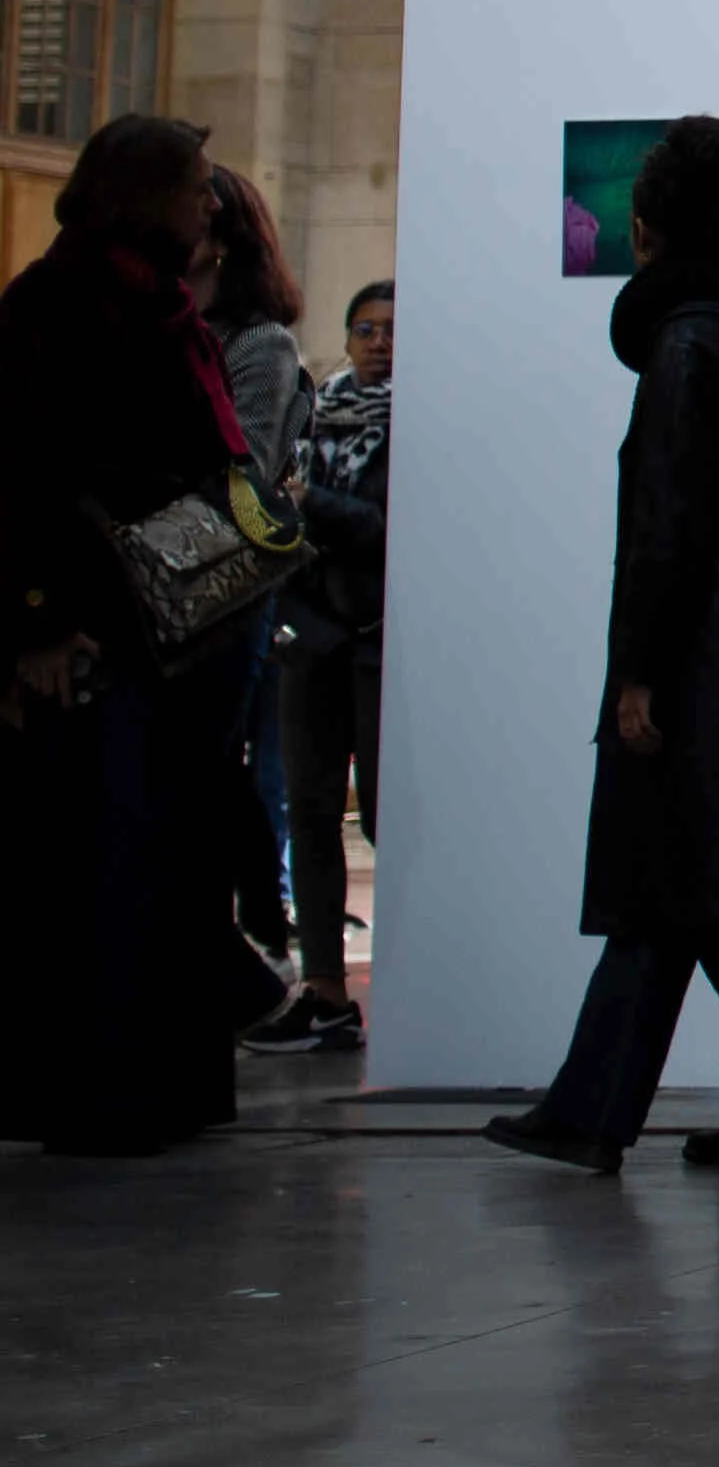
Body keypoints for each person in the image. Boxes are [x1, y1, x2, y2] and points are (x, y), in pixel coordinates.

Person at [485, 116, 719, 1175]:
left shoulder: (692, 343)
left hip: (704, 659)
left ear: (651, 225)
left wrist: (638, 666)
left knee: (678, 886)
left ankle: (597, 1111)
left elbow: (669, 523)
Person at [0, 117, 267, 1154]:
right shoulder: (55, 304)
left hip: (182, 628)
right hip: (99, 624)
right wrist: (38, 619)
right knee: (106, 858)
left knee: (170, 850)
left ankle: (165, 1086)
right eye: (197, 187)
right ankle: (101, 1094)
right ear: (143, 192)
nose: (211, 204)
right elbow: (22, 470)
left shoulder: (168, 309)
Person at [193, 167, 312, 1033]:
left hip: (209, 601)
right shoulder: (165, 328)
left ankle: (247, 981)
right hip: (162, 593)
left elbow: (246, 476)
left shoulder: (254, 341)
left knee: (212, 789)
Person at [263, 280, 393, 1053]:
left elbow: (390, 528)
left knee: (385, 817)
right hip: (309, 637)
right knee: (310, 813)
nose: (378, 342)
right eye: (365, 328)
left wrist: (312, 503)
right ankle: (323, 988)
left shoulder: (421, 425)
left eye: (391, 330)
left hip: (380, 639)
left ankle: (412, 981)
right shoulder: (313, 414)